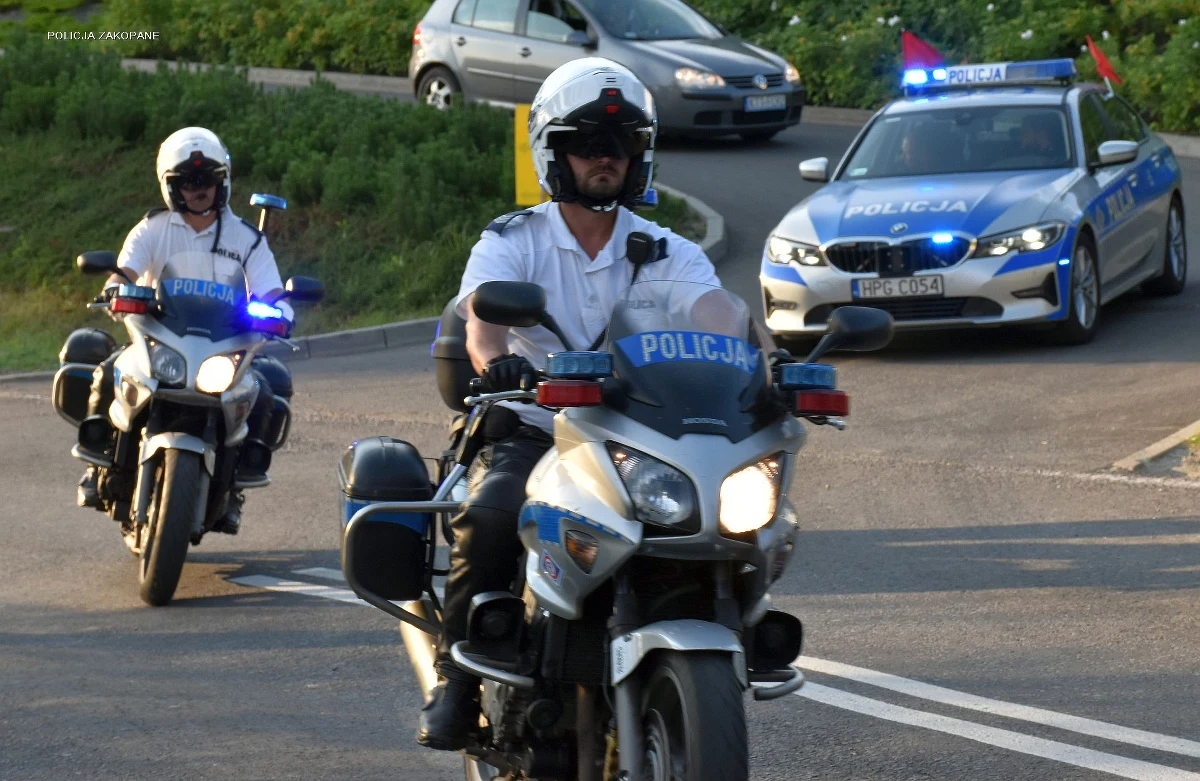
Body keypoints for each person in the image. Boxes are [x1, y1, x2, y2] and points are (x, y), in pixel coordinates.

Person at [416, 58, 725, 751]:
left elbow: (718, 317)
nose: (605, 157)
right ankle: (457, 681)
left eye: (620, 143)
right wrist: (497, 362)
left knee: (720, 519)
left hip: (638, 438)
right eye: (587, 143)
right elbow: (483, 323)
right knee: (493, 511)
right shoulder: (513, 239)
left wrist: (767, 364)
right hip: (537, 427)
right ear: (553, 153)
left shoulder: (668, 250)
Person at [76, 126, 294, 535]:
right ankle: (97, 462)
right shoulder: (152, 229)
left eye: (207, 179)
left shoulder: (246, 238)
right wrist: (115, 290)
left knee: (264, 391)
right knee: (107, 372)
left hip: (222, 345)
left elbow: (271, 291)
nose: (199, 189)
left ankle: (234, 487)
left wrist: (279, 311)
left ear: (222, 181)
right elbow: (124, 273)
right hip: (161, 338)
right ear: (171, 186)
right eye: (189, 181)